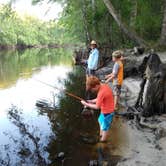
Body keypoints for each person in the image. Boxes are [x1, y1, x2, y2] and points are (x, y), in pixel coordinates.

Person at [81, 76, 114, 142]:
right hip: (105, 109)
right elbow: (99, 99)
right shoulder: (103, 86)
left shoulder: (101, 92)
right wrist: (91, 101)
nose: (92, 91)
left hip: (107, 112)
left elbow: (97, 107)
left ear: (96, 86)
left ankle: (103, 140)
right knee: (100, 120)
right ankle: (100, 135)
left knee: (105, 127)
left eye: (92, 89)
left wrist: (86, 104)